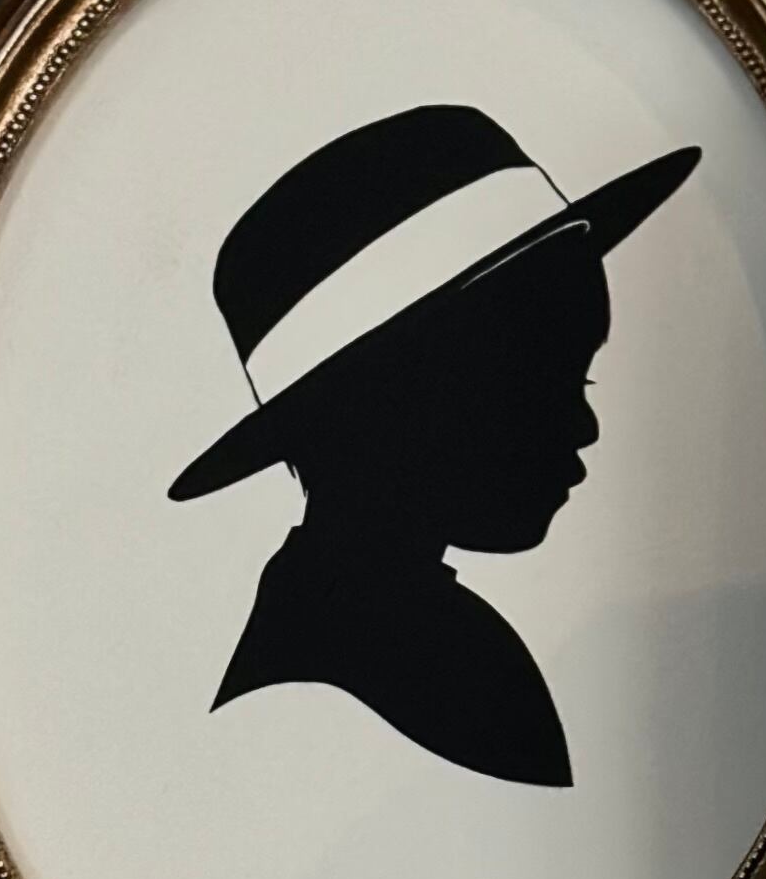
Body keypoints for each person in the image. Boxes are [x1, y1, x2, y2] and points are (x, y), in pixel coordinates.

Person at [167, 103, 698, 785]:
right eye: (538, 380)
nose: (584, 425)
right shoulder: (350, 679)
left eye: (580, 376)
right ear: (389, 406)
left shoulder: (425, 638)